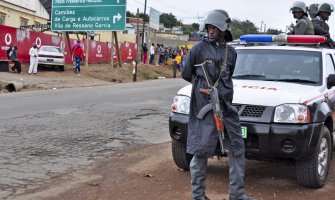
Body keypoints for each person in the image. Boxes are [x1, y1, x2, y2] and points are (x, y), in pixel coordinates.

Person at [182, 9, 256, 200]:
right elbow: (187, 73)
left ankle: (237, 194)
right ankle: (198, 196)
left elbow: (227, 77)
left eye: (215, 27)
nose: (211, 30)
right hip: (203, 109)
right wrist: (204, 90)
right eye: (209, 27)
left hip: (226, 107)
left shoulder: (231, 52)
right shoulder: (198, 49)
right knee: (200, 150)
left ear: (224, 29)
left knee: (237, 148)